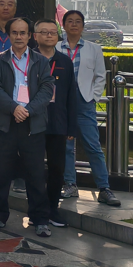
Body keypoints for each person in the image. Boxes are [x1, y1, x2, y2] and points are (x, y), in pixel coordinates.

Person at [0, 18, 54, 236]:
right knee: (1, 172)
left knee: (35, 174)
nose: (19, 37)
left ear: (30, 36)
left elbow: (47, 89)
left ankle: (40, 219)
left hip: (32, 124)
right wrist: (14, 108)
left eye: (23, 33)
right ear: (9, 35)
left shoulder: (40, 61)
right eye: (14, 33)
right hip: (5, 124)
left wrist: (28, 110)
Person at [59, 10, 119, 206]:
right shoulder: (57, 47)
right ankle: (70, 184)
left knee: (93, 146)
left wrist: (93, 97)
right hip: (62, 103)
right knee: (66, 147)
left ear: (83, 26)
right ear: (64, 25)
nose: (74, 25)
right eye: (70, 21)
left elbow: (101, 75)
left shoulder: (94, 49)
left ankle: (104, 188)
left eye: (78, 22)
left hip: (84, 101)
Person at [32, 19, 80, 227]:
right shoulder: (28, 58)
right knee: (34, 169)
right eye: (44, 32)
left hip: (58, 122)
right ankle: (36, 211)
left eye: (53, 32)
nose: (49, 35)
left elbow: (71, 95)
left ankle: (53, 208)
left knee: (57, 168)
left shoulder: (64, 61)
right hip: (33, 121)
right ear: (35, 36)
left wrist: (71, 126)